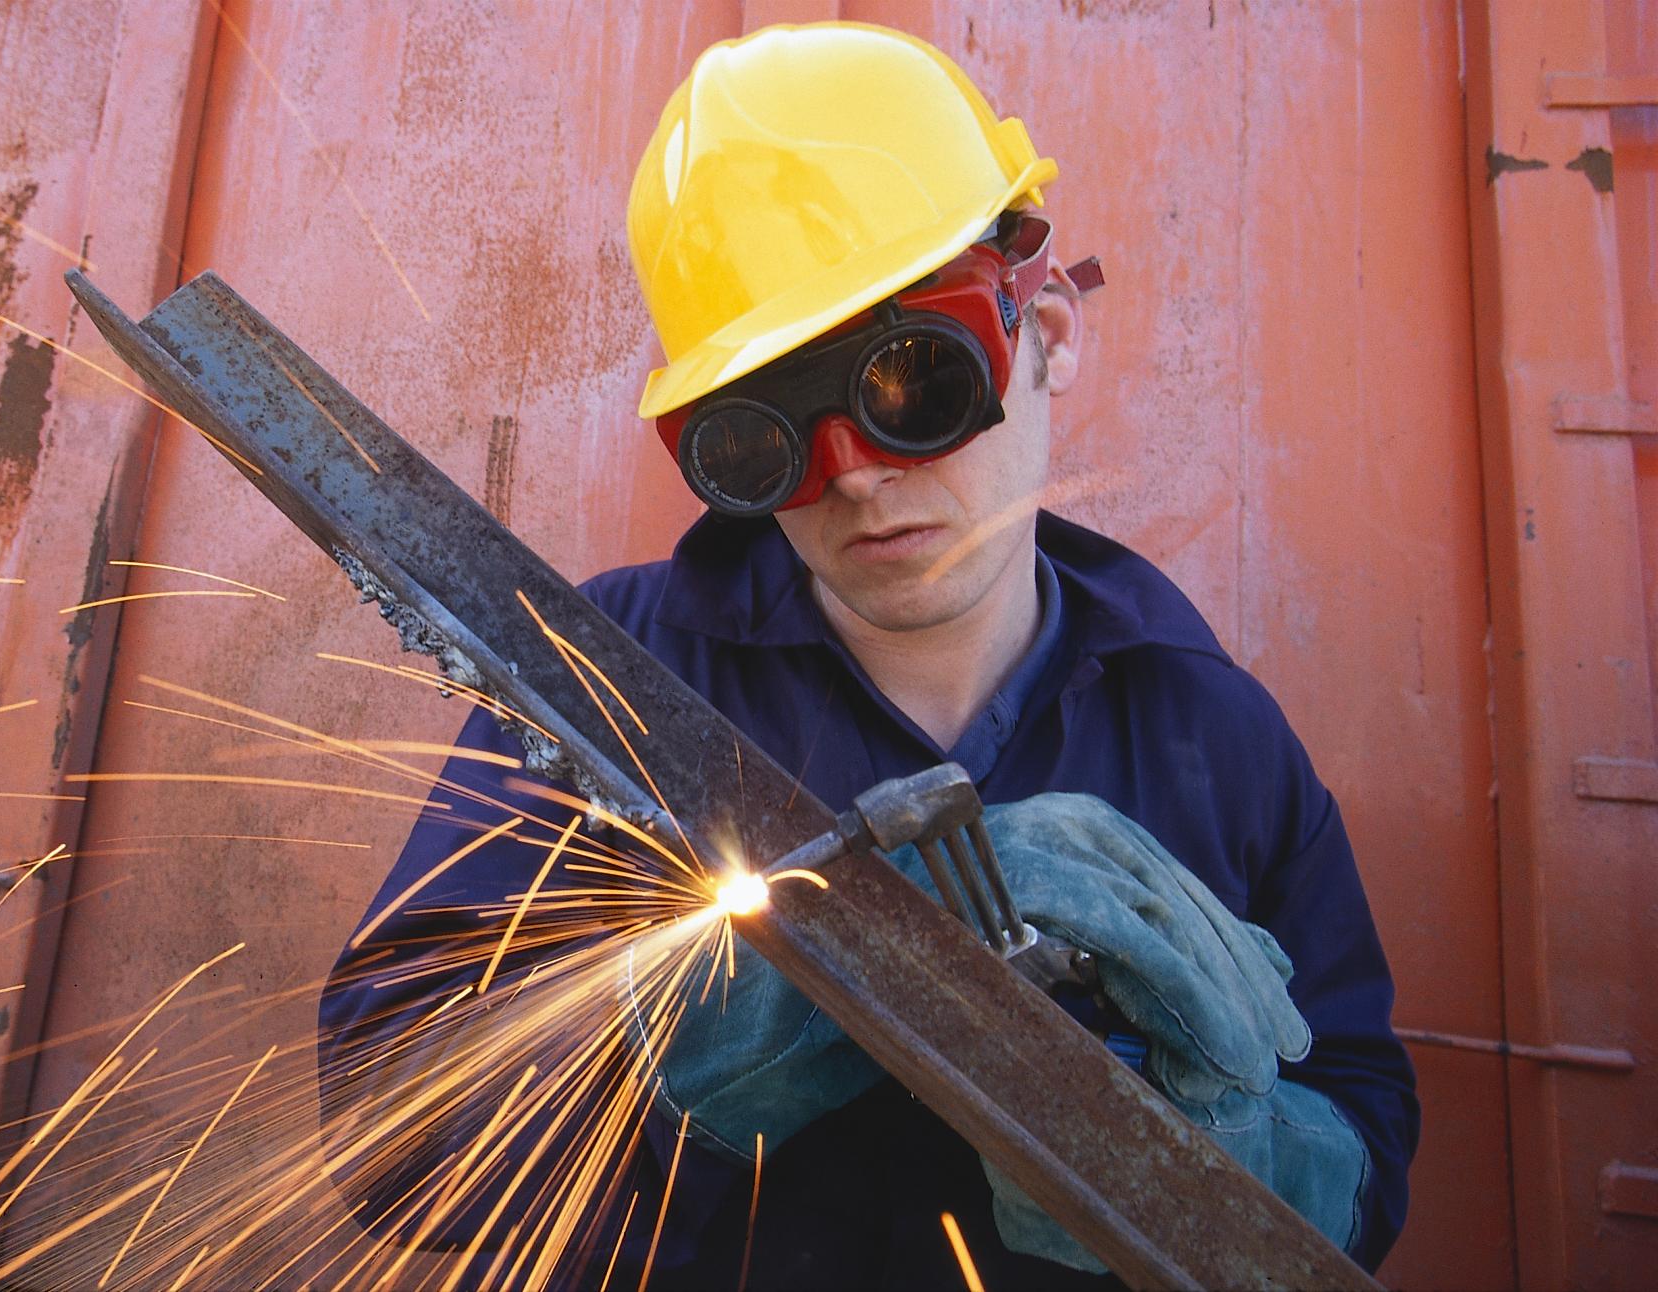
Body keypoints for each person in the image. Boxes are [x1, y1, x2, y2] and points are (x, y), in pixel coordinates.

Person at [319, 21, 1416, 1289]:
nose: (850, 476)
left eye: (912, 384)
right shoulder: (598, 688)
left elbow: (1365, 1151)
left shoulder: (1215, 735)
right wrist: (759, 1003)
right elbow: (384, 1131)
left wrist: (1228, 1156)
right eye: (767, 434)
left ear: (1045, 330)